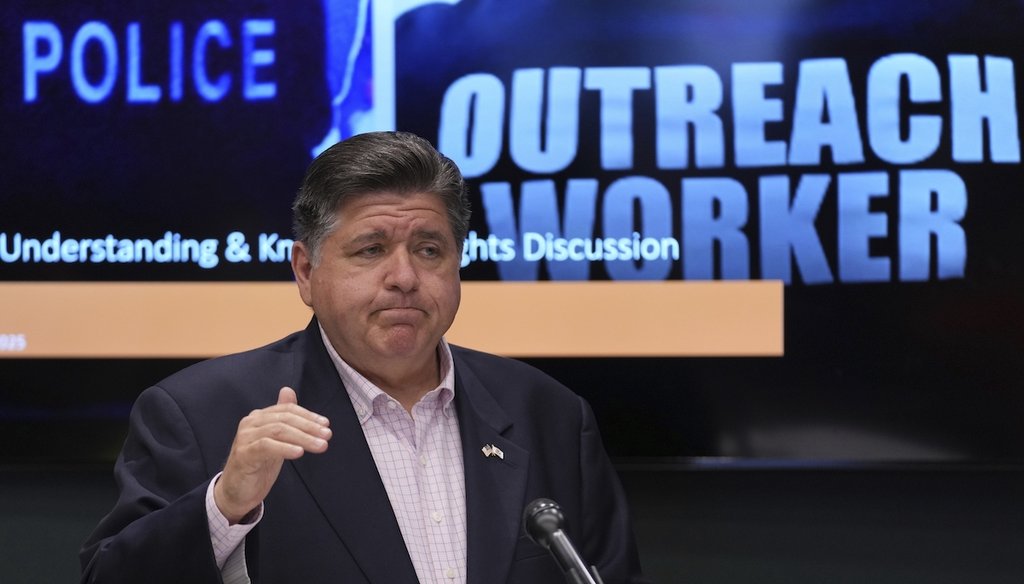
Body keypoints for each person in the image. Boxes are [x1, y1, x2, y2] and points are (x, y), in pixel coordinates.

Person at [80, 131, 648, 584]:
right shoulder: (200, 412)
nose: (404, 278)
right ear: (306, 271)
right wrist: (224, 505)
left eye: (429, 250)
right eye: (371, 250)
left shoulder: (548, 414)